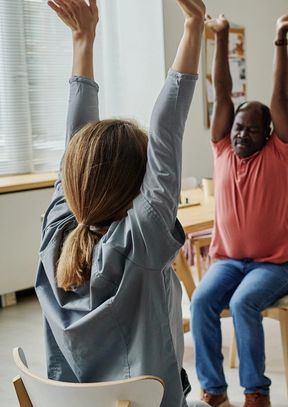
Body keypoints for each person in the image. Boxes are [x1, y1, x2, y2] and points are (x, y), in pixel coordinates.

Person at [34, 0, 205, 406]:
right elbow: (168, 130)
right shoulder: (139, 243)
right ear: (140, 185)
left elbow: (79, 140)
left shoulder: (56, 231)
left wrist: (83, 40)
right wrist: (195, 25)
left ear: (71, 180)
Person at [190, 11, 288, 407]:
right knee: (200, 302)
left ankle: (256, 392)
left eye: (250, 128)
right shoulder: (223, 149)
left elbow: (280, 96)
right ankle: (213, 388)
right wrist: (222, 35)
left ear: (268, 133)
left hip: (274, 265)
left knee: (245, 302)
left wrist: (279, 37)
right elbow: (223, 93)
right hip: (228, 260)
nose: (241, 133)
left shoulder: (279, 154)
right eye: (237, 127)